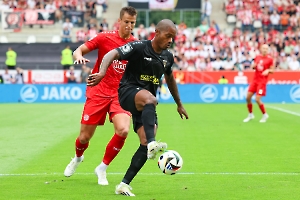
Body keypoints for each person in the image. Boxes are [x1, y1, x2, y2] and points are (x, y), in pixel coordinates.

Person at [87, 19, 189, 196]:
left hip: (145, 104)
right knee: (151, 101)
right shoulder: (139, 47)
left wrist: (179, 104)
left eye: (173, 37)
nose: (171, 40)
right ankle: (152, 144)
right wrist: (102, 72)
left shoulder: (167, 57)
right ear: (157, 32)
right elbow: (111, 54)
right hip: (128, 93)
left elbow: (170, 79)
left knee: (144, 140)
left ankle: (123, 184)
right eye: (168, 36)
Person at [63, 6, 138, 186]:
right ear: (119, 21)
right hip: (98, 91)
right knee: (84, 138)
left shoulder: (136, 45)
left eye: (132, 23)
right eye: (126, 22)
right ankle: (78, 158)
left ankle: (102, 168)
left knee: (124, 130)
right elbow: (78, 50)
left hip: (120, 94)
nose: (129, 25)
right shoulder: (105, 37)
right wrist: (79, 57)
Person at [243, 44, 274, 123]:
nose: (265, 50)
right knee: (248, 98)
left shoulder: (270, 59)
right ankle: (250, 114)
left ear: (268, 50)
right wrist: (253, 66)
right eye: (263, 48)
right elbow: (253, 67)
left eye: (266, 48)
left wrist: (268, 71)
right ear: (261, 49)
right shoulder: (257, 57)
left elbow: (272, 70)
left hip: (262, 83)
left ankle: (264, 114)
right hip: (254, 81)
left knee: (257, 99)